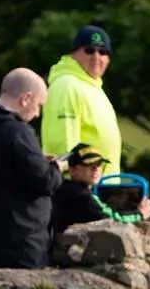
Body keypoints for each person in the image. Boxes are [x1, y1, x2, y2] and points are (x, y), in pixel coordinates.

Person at [0, 68, 67, 268]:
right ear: (25, 98)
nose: (37, 114)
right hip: (23, 245)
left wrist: (36, 160)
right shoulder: (18, 132)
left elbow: (1, 168)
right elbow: (44, 181)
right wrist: (56, 167)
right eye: (38, 105)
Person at [41, 24, 123, 176]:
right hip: (77, 191)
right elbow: (62, 143)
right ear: (73, 54)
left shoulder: (93, 88)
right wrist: (72, 189)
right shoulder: (67, 85)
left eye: (103, 52)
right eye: (89, 50)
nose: (96, 57)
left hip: (100, 190)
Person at [50, 144, 150, 239]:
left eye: (99, 163)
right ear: (72, 170)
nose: (96, 168)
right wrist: (140, 214)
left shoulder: (62, 187)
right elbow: (112, 220)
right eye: (89, 164)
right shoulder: (82, 195)